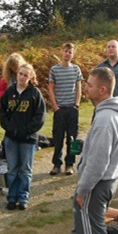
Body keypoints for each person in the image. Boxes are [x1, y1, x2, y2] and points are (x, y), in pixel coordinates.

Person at [49, 67, 118, 234]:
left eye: (90, 85)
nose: (85, 88)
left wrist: (83, 191)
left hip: (96, 184)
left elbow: (98, 164)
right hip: (105, 181)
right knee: (83, 226)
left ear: (102, 89)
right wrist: (87, 145)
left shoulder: (106, 118)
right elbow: (105, 150)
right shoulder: (114, 112)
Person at [0, 63, 46, 210]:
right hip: (11, 138)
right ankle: (12, 197)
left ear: (30, 77)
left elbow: (40, 116)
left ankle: (23, 197)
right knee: (12, 168)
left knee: (25, 169)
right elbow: (3, 113)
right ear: (16, 74)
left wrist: (27, 130)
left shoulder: (35, 93)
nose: (22, 77)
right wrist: (9, 128)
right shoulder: (9, 92)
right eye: (20, 73)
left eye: (26, 75)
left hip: (28, 139)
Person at [48, 43, 83, 176]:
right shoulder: (54, 70)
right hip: (60, 109)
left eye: (70, 52)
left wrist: (77, 104)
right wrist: (55, 107)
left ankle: (70, 164)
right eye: (66, 51)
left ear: (73, 54)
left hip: (72, 109)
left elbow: (78, 87)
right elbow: (50, 88)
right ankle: (57, 164)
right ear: (62, 52)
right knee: (58, 138)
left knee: (72, 139)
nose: (68, 54)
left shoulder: (76, 69)